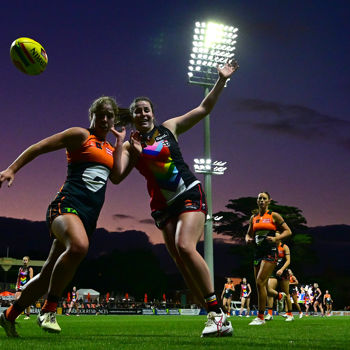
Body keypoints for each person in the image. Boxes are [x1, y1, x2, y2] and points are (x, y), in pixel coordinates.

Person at [113, 61, 238, 337]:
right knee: (182, 263)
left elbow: (203, 109)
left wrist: (221, 80)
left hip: (187, 192)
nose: (142, 113)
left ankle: (219, 314)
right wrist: (120, 146)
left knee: (185, 246)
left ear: (153, 114)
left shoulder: (169, 128)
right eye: (137, 111)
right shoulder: (128, 144)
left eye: (146, 109)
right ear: (133, 117)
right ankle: (214, 316)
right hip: (161, 206)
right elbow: (117, 176)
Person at [0, 96, 123, 337]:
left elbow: (117, 177)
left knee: (47, 276)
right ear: (93, 116)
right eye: (101, 114)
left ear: (114, 119)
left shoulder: (110, 148)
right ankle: (49, 310)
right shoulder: (80, 135)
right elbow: (40, 146)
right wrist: (12, 169)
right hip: (65, 206)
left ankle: (8, 316)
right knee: (78, 247)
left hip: (87, 217)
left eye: (110, 115)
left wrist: (121, 145)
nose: (105, 119)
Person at [245, 192, 292, 325]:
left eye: (264, 198)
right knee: (261, 285)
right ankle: (279, 296)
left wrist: (277, 238)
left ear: (269, 201)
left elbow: (288, 231)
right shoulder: (253, 218)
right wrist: (248, 239)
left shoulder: (274, 215)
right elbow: (248, 234)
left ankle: (260, 317)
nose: (261, 200)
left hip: (270, 252)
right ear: (257, 201)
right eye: (259, 198)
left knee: (260, 282)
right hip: (257, 253)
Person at [265, 238, 294, 322]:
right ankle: (270, 314)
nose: (274, 239)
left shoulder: (284, 247)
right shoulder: (271, 248)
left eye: (276, 237)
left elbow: (288, 261)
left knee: (286, 293)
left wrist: (282, 269)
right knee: (270, 291)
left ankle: (290, 314)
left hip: (283, 272)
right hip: (273, 272)